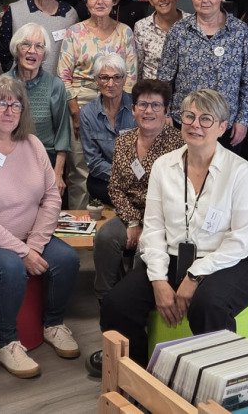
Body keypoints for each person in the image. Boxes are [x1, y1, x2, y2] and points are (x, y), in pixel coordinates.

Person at [99, 89, 248, 367]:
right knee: (117, 304)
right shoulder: (164, 166)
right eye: (189, 116)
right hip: (173, 258)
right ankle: (139, 375)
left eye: (206, 119)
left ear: (222, 127)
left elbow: (240, 240)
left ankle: (220, 378)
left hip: (230, 262)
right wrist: (158, 280)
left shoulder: (240, 170)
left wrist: (194, 276)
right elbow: (153, 229)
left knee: (207, 306)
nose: (195, 125)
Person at [0, 76, 81, 379]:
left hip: (28, 238)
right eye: (1, 104)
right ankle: (6, 342)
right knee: (9, 267)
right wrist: (22, 252)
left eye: (16, 105)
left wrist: (33, 245)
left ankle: (53, 324)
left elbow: (51, 197)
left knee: (66, 259)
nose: (9, 111)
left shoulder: (32, 144)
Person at [86, 78, 183, 376]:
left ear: (166, 110)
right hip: (130, 214)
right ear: (134, 108)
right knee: (105, 238)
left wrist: (144, 226)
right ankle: (109, 312)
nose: (148, 110)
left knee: (145, 254)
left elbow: (174, 197)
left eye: (155, 105)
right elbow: (115, 187)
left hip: (163, 221)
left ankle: (140, 323)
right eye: (142, 104)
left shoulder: (178, 144)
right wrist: (130, 221)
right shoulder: (125, 140)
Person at [58, 0, 139, 209]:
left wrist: (122, 109)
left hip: (118, 105)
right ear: (86, 1)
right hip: (81, 103)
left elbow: (131, 76)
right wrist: (75, 112)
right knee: (80, 169)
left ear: (114, 0)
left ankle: (117, 220)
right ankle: (81, 222)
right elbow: (64, 75)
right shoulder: (74, 33)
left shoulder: (125, 32)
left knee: (119, 163)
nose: (100, 1)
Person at [158, 0, 248, 149]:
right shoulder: (178, 31)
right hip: (186, 122)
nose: (205, 0)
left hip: (225, 124)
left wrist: (243, 120)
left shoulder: (241, 32)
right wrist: (165, 113)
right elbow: (164, 78)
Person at [6, 23, 71, 194]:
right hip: (8, 160)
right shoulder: (1, 84)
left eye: (39, 46)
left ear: (44, 54)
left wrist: (58, 173)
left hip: (45, 161)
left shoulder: (55, 85)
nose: (32, 51)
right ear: (16, 49)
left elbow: (62, 134)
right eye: (26, 44)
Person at [0, 0, 77, 74]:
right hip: (20, 81)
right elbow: (4, 51)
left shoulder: (70, 14)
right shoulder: (14, 11)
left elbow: (75, 52)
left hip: (58, 82)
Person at [78, 53, 136, 206]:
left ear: (124, 80)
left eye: (116, 77)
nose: (111, 84)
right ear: (96, 80)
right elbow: (93, 161)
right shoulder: (87, 113)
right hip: (105, 178)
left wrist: (134, 175)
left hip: (137, 176)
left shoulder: (137, 107)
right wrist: (122, 176)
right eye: (104, 77)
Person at [133, 0, 190, 81]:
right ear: (150, 1)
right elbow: (138, 67)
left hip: (183, 89)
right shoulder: (141, 27)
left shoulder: (191, 23)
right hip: (151, 89)